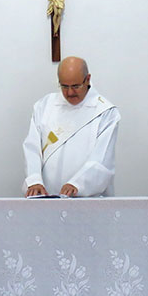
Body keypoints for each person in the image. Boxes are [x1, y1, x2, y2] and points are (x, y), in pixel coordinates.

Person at [22, 56, 119, 197]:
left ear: (88, 79)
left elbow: (102, 159)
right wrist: (34, 180)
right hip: (46, 197)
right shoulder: (44, 106)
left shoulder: (104, 112)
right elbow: (32, 147)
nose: (69, 93)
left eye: (75, 86)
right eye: (64, 86)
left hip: (88, 200)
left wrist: (77, 184)